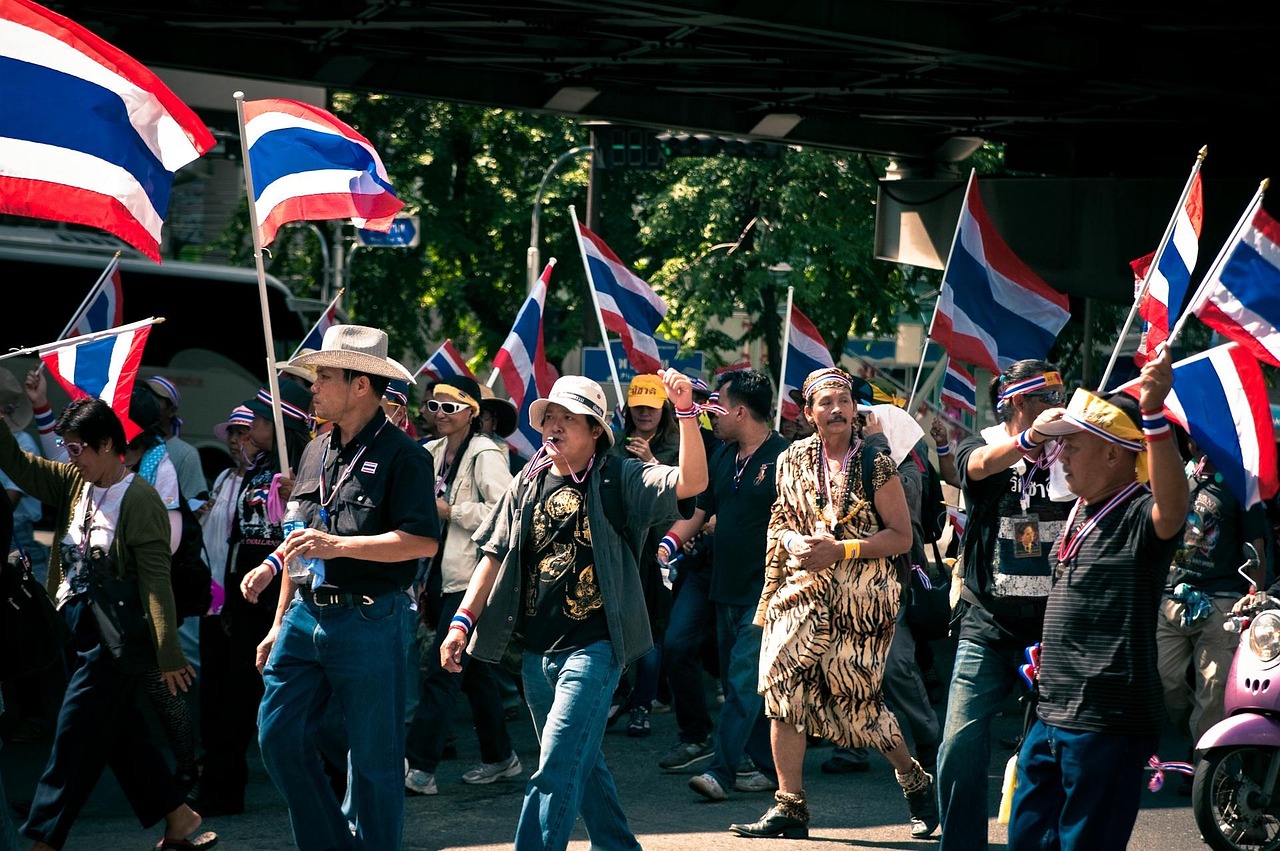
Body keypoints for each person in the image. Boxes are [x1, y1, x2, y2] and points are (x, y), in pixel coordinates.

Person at [441, 370, 707, 851]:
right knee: (582, 762)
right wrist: (463, 622)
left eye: (569, 418)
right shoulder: (527, 481)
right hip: (536, 655)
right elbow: (494, 554)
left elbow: (691, 482)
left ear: (596, 432)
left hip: (596, 648)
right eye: (550, 418)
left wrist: (685, 412)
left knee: (557, 766)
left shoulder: (622, 476)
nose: (554, 427)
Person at [243, 325, 439, 851]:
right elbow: (301, 536)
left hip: (373, 617)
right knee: (277, 737)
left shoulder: (405, 456)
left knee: (373, 763)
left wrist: (340, 547)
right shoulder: (313, 450)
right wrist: (276, 597)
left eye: (324, 376)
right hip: (305, 616)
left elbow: (422, 543)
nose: (312, 386)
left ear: (360, 385)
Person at [0, 396, 215, 851]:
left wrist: (168, 653)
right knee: (120, 734)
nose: (69, 456)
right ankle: (179, 816)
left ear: (106, 445)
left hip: (117, 639)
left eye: (76, 448)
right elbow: (17, 464)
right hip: (75, 627)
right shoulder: (73, 483)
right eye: (66, 447)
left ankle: (43, 842)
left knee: (73, 737)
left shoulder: (140, 499)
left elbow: (156, 584)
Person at [730, 367, 935, 840]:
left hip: (861, 601)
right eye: (826, 403)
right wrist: (794, 543)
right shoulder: (793, 458)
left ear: (855, 410)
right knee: (781, 692)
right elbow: (780, 520)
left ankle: (915, 781)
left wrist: (840, 549)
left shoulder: (876, 463)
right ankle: (790, 806)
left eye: (844, 400)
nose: (837, 409)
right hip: (800, 594)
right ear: (809, 413)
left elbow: (901, 538)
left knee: (858, 702)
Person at [1007, 348, 1189, 849]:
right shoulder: (1079, 509)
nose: (1061, 454)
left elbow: (1175, 507)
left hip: (1107, 720)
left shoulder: (1140, 513)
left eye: (1073, 446)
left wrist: (1153, 415)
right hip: (1050, 713)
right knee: (1025, 839)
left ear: (1113, 453)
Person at [935, 359, 1075, 851]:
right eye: (1045, 401)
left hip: (1055, 627)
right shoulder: (986, 440)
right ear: (1018, 401)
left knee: (1055, 752)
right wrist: (1028, 440)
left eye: (1059, 401)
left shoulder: (1070, 451)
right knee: (960, 743)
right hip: (988, 622)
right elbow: (974, 467)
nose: (1055, 410)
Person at [658, 368, 784, 802]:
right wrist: (670, 541)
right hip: (724, 589)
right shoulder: (723, 456)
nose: (711, 414)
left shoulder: (786, 458)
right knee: (739, 685)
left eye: (717, 407)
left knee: (744, 680)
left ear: (741, 412)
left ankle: (721, 772)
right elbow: (700, 510)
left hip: (766, 593)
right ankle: (765, 767)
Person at [193, 383, 312, 817]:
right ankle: (220, 785)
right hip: (241, 584)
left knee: (255, 688)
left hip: (279, 583)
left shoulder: (304, 465)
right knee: (225, 687)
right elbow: (235, 532)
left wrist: (297, 494)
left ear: (282, 425)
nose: (253, 424)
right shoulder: (253, 466)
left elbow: (296, 534)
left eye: (262, 418)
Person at [404, 375, 519, 796]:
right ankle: (500, 757)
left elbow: (506, 510)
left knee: (443, 671)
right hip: (435, 575)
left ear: (472, 413)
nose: (439, 414)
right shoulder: (429, 452)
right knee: (473, 676)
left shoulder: (487, 454)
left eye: (450, 407)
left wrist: (452, 510)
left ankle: (420, 768)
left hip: (472, 579)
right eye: (434, 406)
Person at [1156, 441, 1268, 759]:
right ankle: (1195, 737)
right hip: (1171, 598)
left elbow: (1255, 546)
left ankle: (1203, 765)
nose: (1195, 440)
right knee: (1168, 683)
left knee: (1213, 691)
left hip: (1221, 602)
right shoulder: (1177, 474)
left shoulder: (1242, 482)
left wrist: (1252, 599)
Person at [612, 373, 681, 737]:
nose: (644, 414)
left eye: (651, 407)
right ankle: (620, 697)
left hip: (662, 551)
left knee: (654, 631)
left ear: (663, 409)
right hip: (624, 549)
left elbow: (685, 497)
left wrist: (653, 461)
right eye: (637, 407)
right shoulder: (614, 445)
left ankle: (643, 705)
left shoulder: (678, 444)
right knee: (622, 627)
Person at [144, 376, 209, 507]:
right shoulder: (132, 445)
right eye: (146, 397)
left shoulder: (186, 454)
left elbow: (193, 503)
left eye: (156, 399)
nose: (148, 403)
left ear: (172, 410)